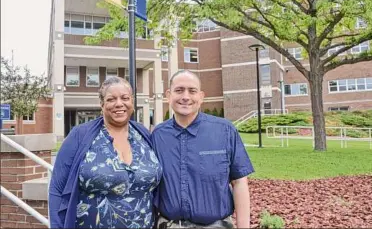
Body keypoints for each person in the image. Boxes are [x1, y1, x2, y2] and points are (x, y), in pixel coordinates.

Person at [49, 76, 162, 229]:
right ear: (101, 104)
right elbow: (57, 188)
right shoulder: (80, 135)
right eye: (111, 99)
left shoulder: (143, 134)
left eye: (125, 98)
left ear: (132, 102)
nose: (119, 104)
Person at [151, 70, 254, 228]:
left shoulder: (224, 130)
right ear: (168, 95)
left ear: (201, 96)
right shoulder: (158, 136)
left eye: (192, 91)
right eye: (179, 90)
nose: (186, 96)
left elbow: (239, 182)